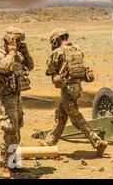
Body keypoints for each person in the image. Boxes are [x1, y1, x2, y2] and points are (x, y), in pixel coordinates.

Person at [44, 28, 108, 156]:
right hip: (76, 87)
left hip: (67, 89)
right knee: (61, 115)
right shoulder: (77, 49)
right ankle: (50, 142)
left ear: (57, 40)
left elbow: (49, 69)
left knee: (76, 119)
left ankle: (97, 142)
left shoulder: (58, 52)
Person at [0, 26, 34, 179]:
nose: (19, 43)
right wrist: (13, 51)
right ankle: (4, 166)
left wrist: (24, 50)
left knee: (17, 131)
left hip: (16, 96)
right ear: (7, 40)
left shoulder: (18, 54)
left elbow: (31, 65)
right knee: (9, 130)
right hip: (4, 97)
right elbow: (3, 66)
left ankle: (13, 164)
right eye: (17, 40)